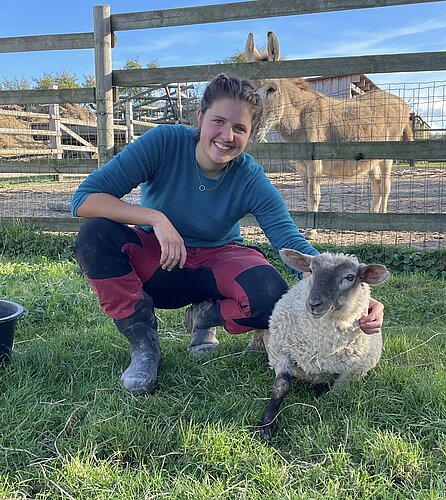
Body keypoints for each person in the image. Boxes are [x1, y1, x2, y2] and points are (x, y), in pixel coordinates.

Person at [71, 74, 384, 396]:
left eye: (240, 128)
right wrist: (156, 218)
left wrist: (363, 297)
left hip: (218, 260)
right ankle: (144, 344)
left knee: (270, 300)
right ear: (200, 118)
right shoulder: (163, 143)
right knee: (96, 235)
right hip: (162, 260)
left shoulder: (249, 176)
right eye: (218, 121)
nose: (227, 136)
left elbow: (289, 240)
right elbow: (85, 199)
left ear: (250, 134)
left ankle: (204, 317)